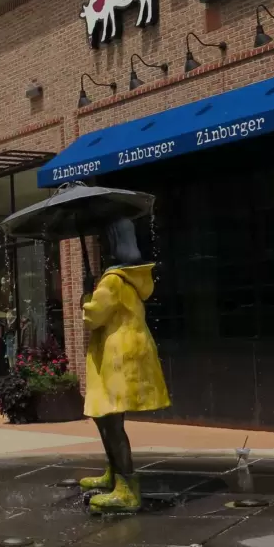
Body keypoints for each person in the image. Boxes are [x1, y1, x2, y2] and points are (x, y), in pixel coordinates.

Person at [80, 217, 170, 514]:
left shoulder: (113, 280)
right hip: (124, 353)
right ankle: (116, 473)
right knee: (105, 417)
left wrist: (86, 298)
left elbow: (94, 316)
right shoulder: (130, 278)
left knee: (110, 420)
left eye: (104, 239)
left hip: (117, 357)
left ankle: (127, 488)